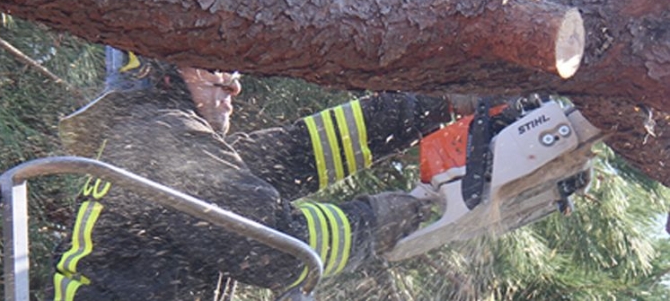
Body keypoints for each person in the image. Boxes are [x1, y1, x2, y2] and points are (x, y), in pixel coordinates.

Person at [52, 47, 490, 301]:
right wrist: (378, 220)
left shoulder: (153, 140)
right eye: (213, 63)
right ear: (160, 68)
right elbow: (274, 250)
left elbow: (301, 151)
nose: (234, 83)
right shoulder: (162, 140)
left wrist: (442, 101)